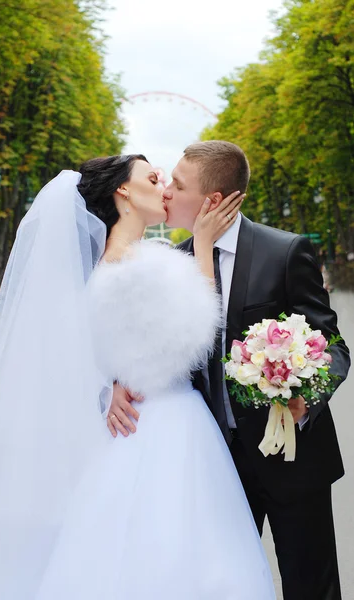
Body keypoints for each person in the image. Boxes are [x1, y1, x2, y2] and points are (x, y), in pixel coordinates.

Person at [0, 157, 276, 599]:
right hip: (164, 424)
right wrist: (202, 246)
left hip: (132, 424)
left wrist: (109, 384)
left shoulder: (109, 263)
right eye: (151, 178)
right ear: (123, 192)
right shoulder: (135, 264)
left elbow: (83, 349)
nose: (163, 185)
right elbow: (192, 341)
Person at [108, 141, 351, 600]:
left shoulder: (286, 251)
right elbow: (164, 349)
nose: (167, 193)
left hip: (294, 461)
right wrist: (122, 380)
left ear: (212, 200)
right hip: (215, 462)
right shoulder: (173, 264)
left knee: (312, 587)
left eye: (178, 186)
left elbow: (333, 346)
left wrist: (305, 399)